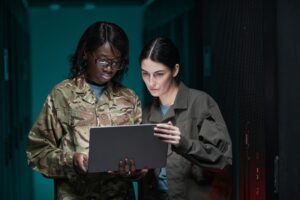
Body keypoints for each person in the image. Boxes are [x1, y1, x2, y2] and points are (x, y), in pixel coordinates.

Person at [26, 21, 142, 200]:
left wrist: (133, 170)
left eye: (116, 62)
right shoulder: (62, 95)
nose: (110, 68)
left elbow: (140, 156)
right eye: (103, 60)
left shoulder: (129, 98)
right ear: (87, 54)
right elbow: (37, 153)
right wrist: (71, 160)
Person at [138, 37, 232, 200]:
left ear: (175, 70)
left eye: (159, 74)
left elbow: (223, 158)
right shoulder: (146, 113)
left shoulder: (201, 103)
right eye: (145, 74)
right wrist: (136, 170)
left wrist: (184, 143)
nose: (151, 82)